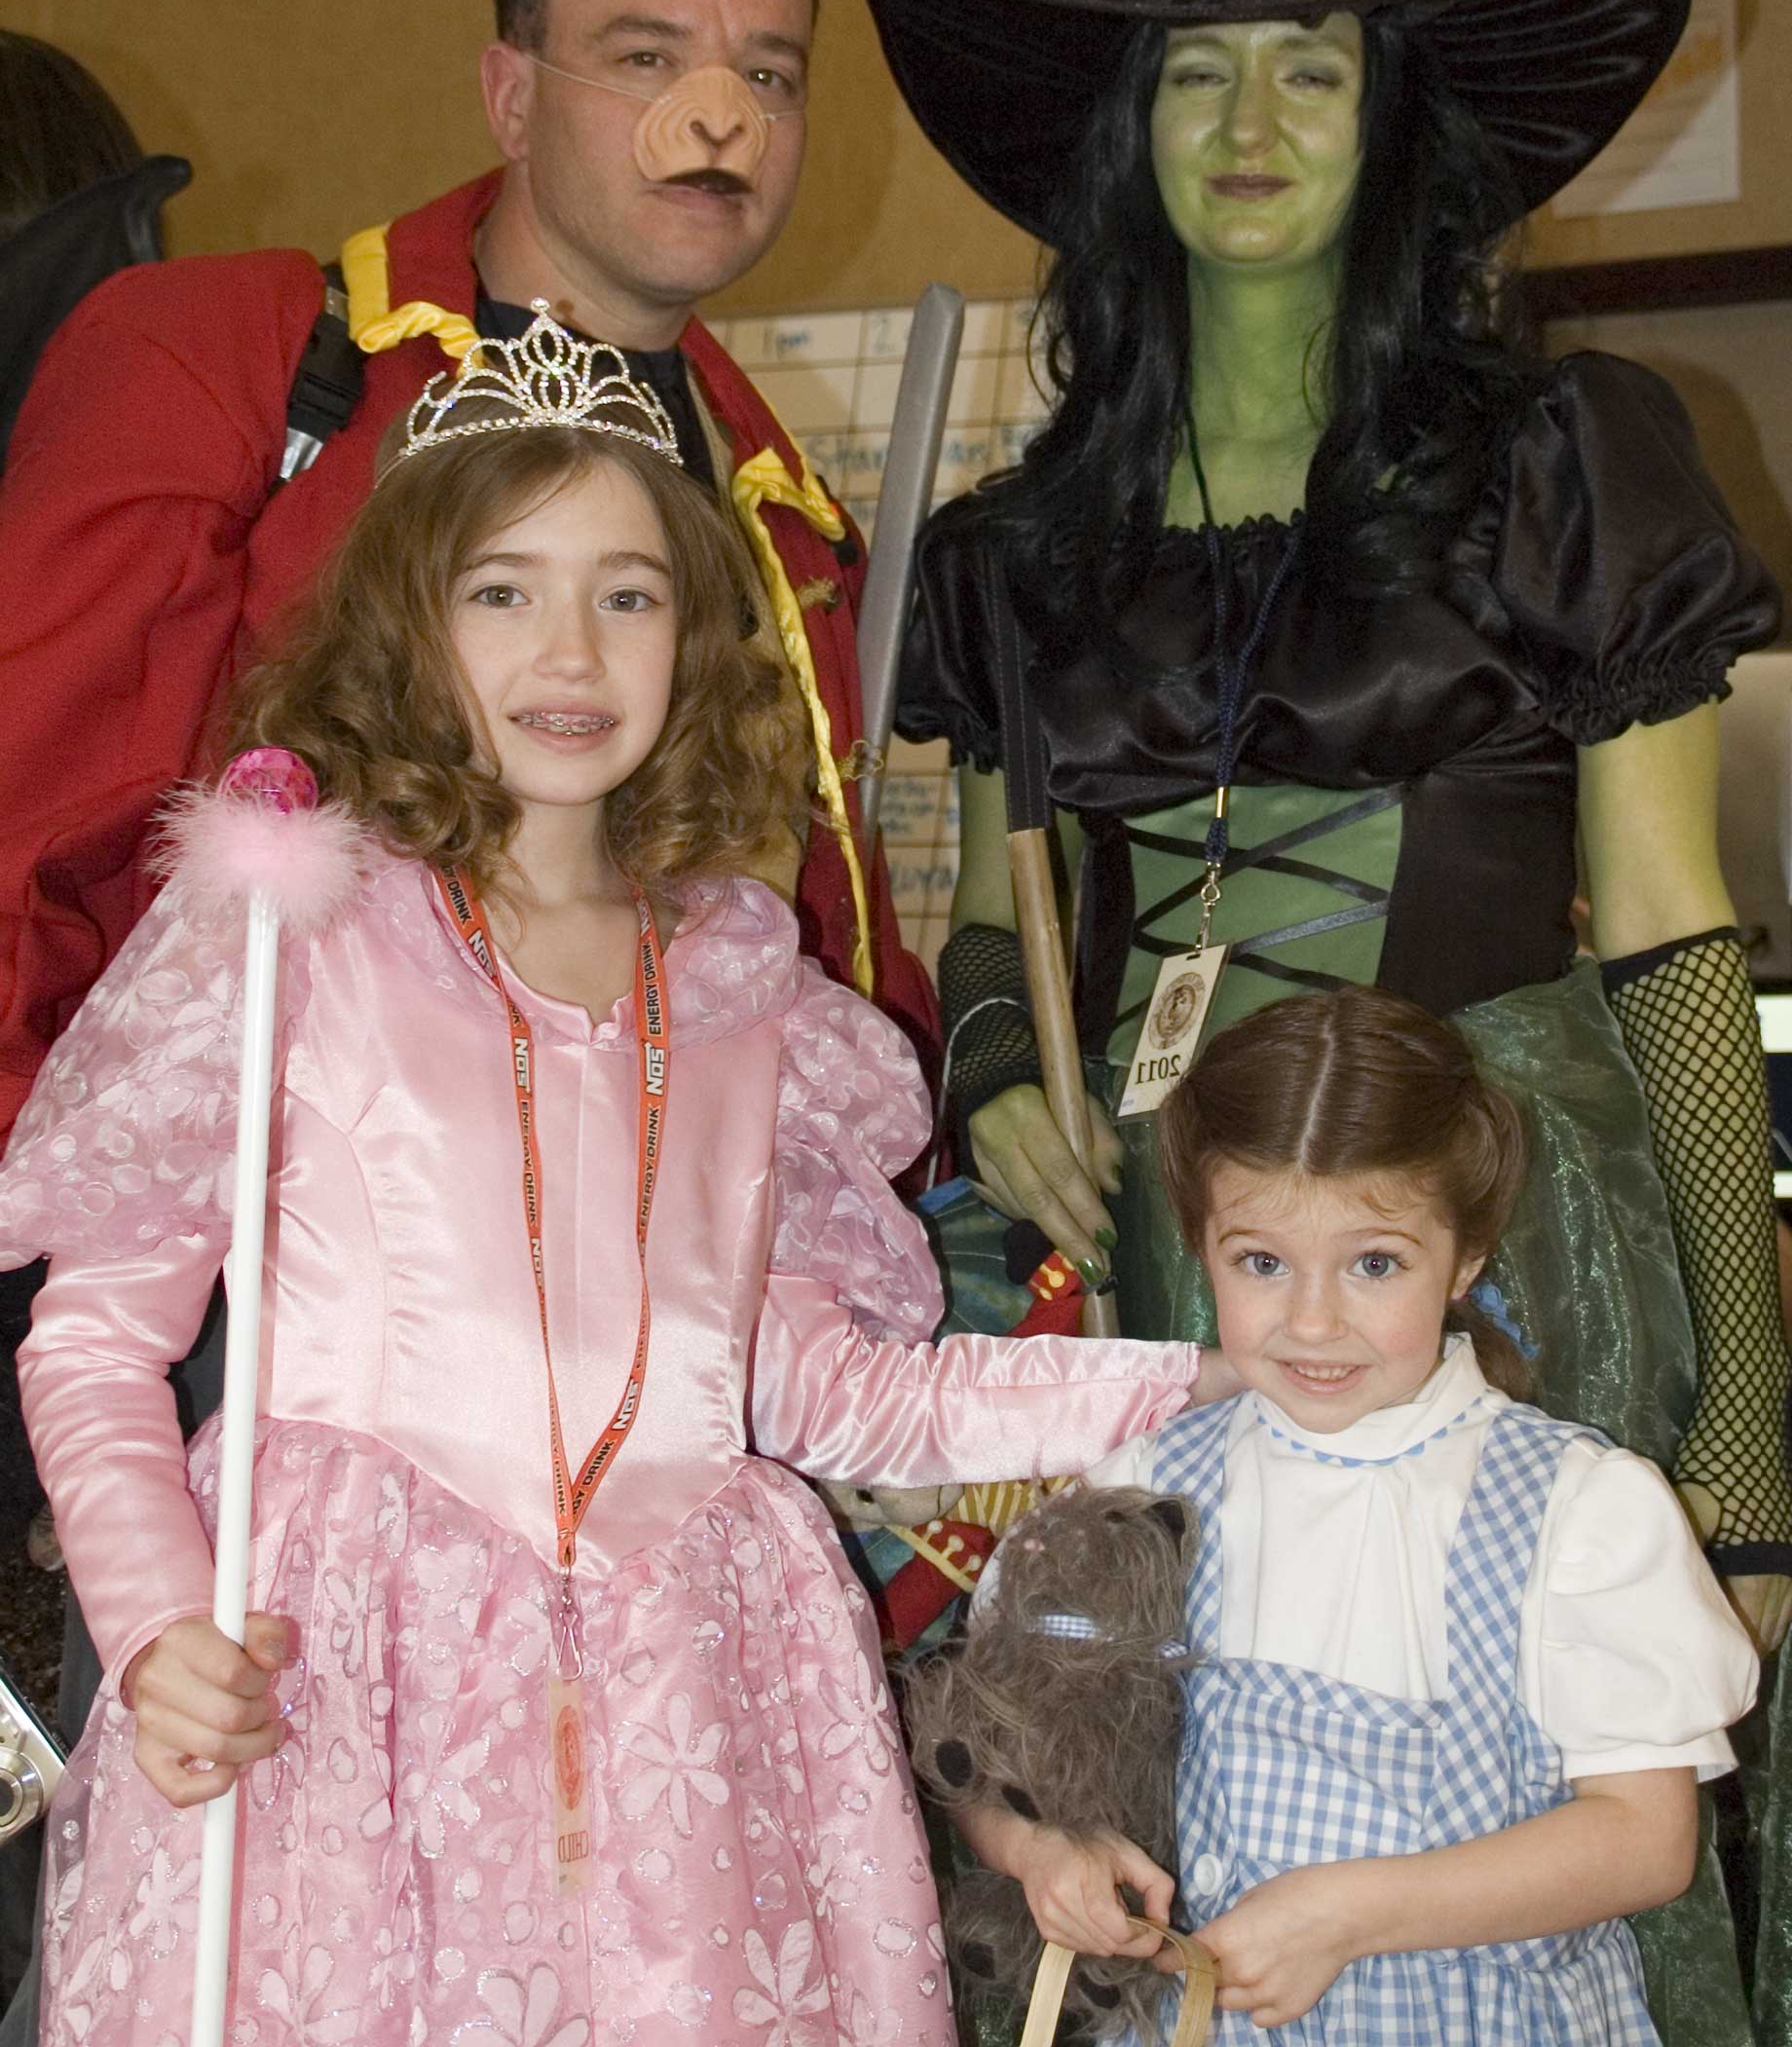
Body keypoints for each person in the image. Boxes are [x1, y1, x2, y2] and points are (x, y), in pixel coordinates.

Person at [868, 0, 1792, 2035]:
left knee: (1560, 1816)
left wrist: (1733, 1426)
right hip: (1176, 1241)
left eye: (1308, 68)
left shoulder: (1561, 458)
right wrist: (1003, 1058)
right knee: (1188, 1817)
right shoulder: (1024, 542)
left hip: (1515, 1227)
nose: (1250, 126)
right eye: (1197, 73)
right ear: (1126, 132)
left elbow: (1672, 935)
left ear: (1388, 116)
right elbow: (1000, 905)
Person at [0, 311, 1235, 2045]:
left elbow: (830, 1392)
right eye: (502, 591)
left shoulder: (742, 989)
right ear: (407, 624)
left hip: (687, 1703)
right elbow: (91, 1339)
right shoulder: (295, 934)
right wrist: (151, 1626)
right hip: (351, 1689)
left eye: (628, 594)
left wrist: (1199, 1385)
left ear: (696, 633)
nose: (569, 650)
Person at [0, 0, 936, 1164]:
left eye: (768, 75)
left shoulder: (785, 523)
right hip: (251, 1235)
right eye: (646, 57)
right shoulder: (224, 355)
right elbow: (25, 821)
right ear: (511, 97)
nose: (718, 116)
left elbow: (823, 946)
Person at [959, 989, 1758, 2042]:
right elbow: (986, 1754)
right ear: (1201, 1245)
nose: (1313, 1321)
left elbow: (1644, 1842)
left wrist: (1344, 1915)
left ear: (1465, 1258)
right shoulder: (1143, 1486)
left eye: (1374, 1263)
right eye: (1262, 1262)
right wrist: (1042, 1851)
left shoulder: (1579, 1510)